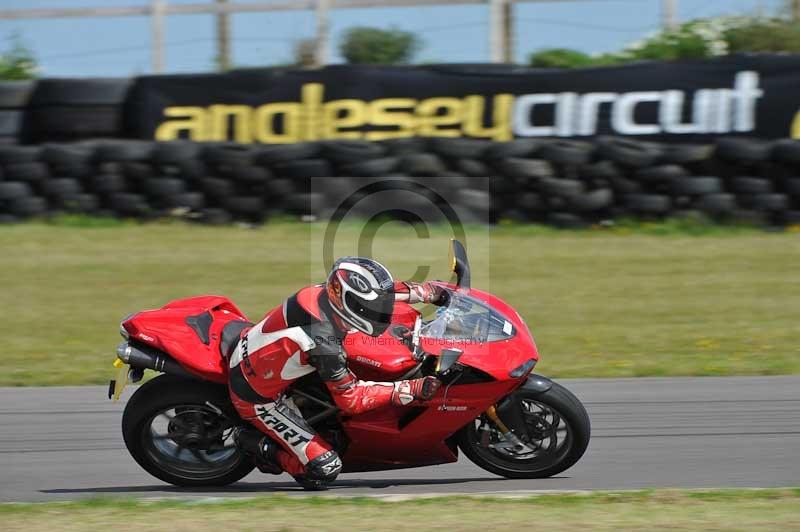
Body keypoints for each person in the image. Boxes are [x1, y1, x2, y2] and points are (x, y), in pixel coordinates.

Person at [224, 257, 445, 489]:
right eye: (373, 308)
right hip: (257, 397)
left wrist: (428, 292)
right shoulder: (323, 342)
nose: (382, 311)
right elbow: (351, 399)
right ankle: (256, 445)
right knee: (324, 468)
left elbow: (383, 292)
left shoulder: (329, 292)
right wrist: (409, 389)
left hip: (270, 358)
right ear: (350, 303)